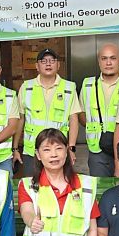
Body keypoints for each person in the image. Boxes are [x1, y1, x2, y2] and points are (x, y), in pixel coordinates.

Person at [19, 48, 83, 176]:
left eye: (52, 61)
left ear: (58, 65)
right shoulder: (26, 87)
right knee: (32, 188)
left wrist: (71, 147)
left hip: (58, 150)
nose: (48, 64)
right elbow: (20, 119)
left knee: (59, 187)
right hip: (32, 151)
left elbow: (74, 119)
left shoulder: (69, 88)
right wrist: (15, 148)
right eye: (44, 61)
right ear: (37, 66)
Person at [80, 43, 119, 178]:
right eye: (104, 58)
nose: (108, 63)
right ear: (99, 61)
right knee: (100, 190)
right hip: (97, 149)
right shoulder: (88, 85)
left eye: (113, 58)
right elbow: (81, 114)